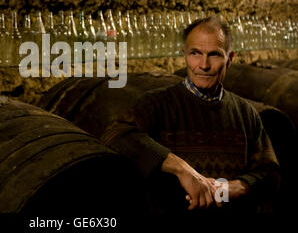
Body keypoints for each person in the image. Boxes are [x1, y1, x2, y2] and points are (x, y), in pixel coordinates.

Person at [104, 16, 280, 214]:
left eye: (214, 55)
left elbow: (270, 173)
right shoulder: (156, 104)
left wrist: (232, 188)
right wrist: (181, 168)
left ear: (229, 59)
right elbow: (115, 136)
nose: (203, 65)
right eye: (195, 53)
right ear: (184, 55)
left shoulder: (245, 113)